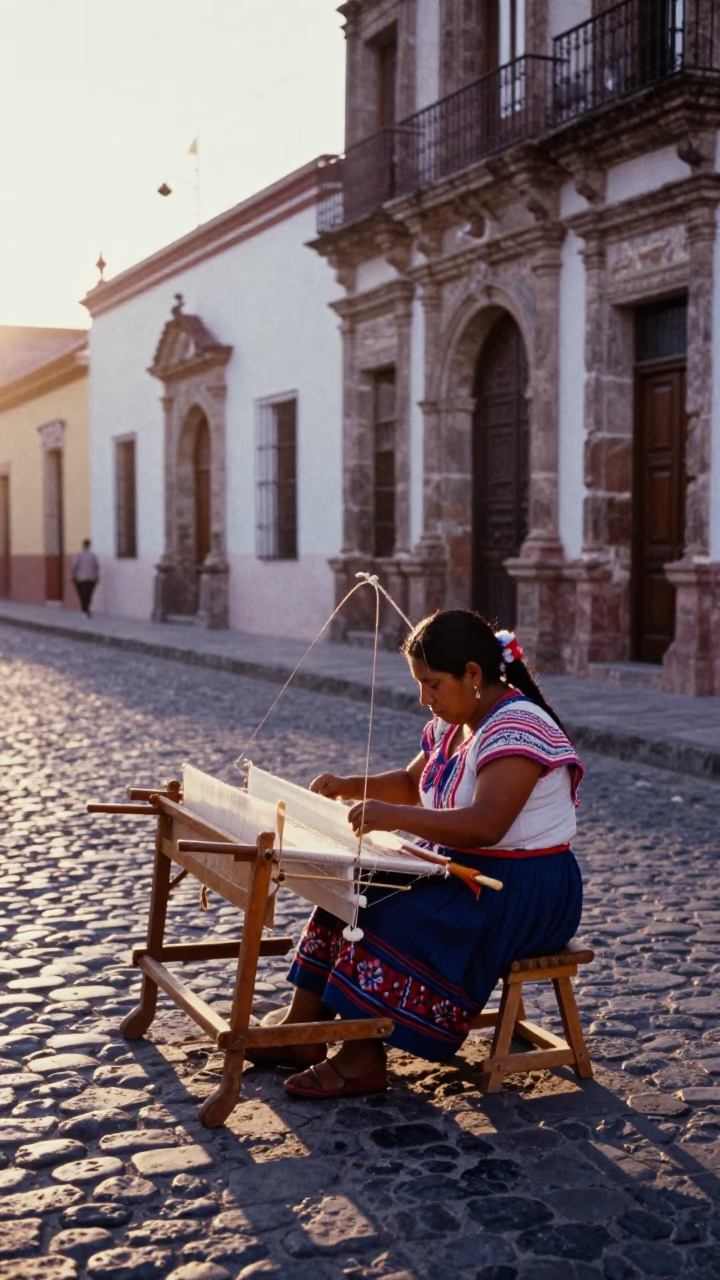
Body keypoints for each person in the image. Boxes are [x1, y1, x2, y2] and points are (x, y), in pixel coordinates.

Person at [251, 608, 584, 1099]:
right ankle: (304, 1027)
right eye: (420, 686)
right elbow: (411, 783)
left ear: (473, 674)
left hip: (523, 889)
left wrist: (393, 817)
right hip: (468, 871)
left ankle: (361, 1055)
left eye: (433, 685)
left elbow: (486, 826)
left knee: (392, 913)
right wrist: (348, 786)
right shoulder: (456, 724)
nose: (425, 700)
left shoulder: (518, 728)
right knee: (350, 887)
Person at [72, 538, 100, 617]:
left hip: (81, 578)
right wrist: (97, 576)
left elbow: (75, 566)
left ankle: (84, 609)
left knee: (81, 594)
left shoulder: (78, 555)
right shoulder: (93, 555)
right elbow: (97, 566)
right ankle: (86, 609)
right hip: (91, 578)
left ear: (83, 545)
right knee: (89, 594)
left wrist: (73, 576)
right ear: (89, 546)